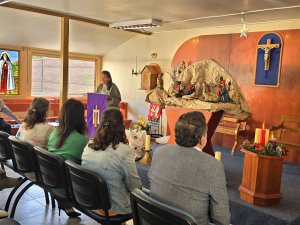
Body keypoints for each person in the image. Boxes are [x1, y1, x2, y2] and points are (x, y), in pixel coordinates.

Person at [148, 111, 231, 225]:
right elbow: (221, 219)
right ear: (202, 139)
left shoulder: (159, 152)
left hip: (156, 220)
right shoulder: (213, 166)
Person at [82, 108, 141, 215]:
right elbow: (134, 187)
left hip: (91, 201)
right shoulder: (125, 151)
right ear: (121, 126)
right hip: (114, 207)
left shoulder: (89, 145)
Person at [48, 99, 88, 217]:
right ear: (80, 117)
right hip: (69, 189)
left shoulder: (54, 133)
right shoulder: (83, 141)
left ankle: (66, 206)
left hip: (51, 181)